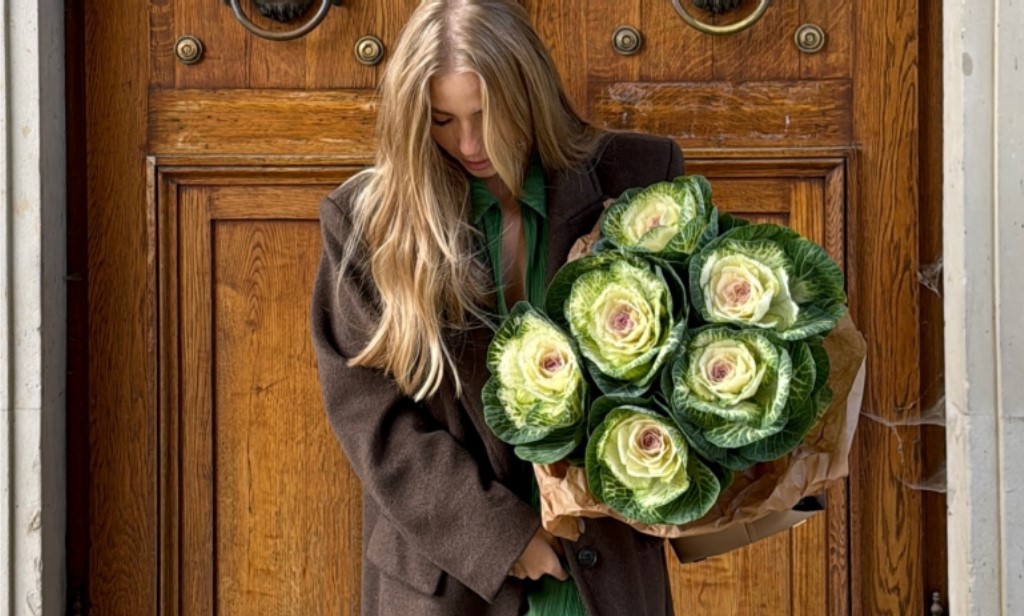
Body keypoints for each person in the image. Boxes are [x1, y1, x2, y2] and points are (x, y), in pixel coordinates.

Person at [310, 1, 684, 614]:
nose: (468, 143)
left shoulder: (638, 174)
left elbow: (685, 355)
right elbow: (371, 419)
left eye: (488, 116)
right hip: (450, 574)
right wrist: (502, 538)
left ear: (529, 92)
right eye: (441, 120)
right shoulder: (365, 223)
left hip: (602, 567)